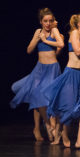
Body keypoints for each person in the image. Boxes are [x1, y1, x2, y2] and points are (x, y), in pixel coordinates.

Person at [10, 8, 64, 142]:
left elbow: (61, 44)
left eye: (50, 21)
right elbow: (29, 50)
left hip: (52, 69)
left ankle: (52, 125)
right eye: (45, 21)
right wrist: (37, 39)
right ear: (41, 22)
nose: (48, 23)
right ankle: (45, 124)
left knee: (47, 97)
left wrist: (46, 41)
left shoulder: (55, 31)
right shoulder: (38, 32)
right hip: (40, 70)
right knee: (36, 94)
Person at [44, 12, 80, 150]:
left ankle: (79, 140)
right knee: (68, 106)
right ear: (79, 24)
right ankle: (63, 134)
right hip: (71, 73)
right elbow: (78, 52)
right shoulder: (74, 33)